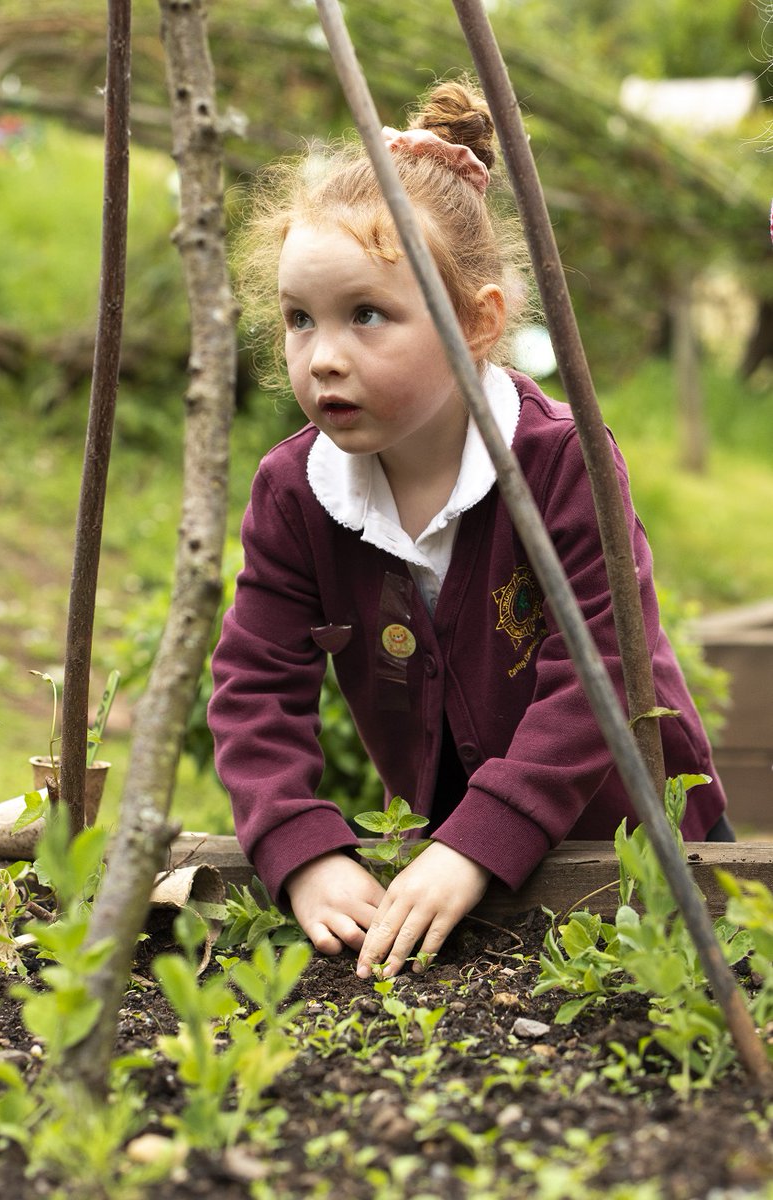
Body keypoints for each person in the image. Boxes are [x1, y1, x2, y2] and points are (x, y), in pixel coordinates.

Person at [207, 79, 729, 983]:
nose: (323, 355)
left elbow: (606, 665)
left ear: (479, 322)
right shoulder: (298, 493)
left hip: (639, 851)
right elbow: (256, 683)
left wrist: (480, 840)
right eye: (300, 319)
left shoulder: (562, 462)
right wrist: (300, 844)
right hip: (456, 869)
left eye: (366, 314)